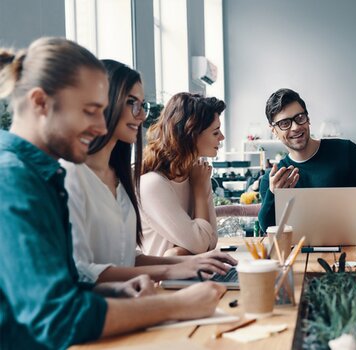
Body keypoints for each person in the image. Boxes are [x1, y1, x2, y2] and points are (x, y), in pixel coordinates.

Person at [0, 37, 225, 350]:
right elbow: (58, 318)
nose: (101, 127)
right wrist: (178, 305)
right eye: (90, 111)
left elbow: (65, 284)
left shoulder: (41, 175)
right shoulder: (12, 180)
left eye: (104, 111)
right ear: (40, 103)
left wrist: (112, 291)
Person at [62, 59, 236, 283]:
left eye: (143, 105)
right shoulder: (71, 176)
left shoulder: (120, 177)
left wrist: (191, 263)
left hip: (135, 298)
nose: (142, 115)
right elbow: (82, 272)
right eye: (132, 103)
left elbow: (127, 258)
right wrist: (174, 267)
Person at [257, 88, 356, 232]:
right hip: (299, 253)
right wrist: (273, 194)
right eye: (284, 123)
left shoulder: (345, 151)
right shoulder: (274, 180)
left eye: (300, 117)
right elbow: (267, 227)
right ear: (274, 130)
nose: (295, 127)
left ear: (308, 119)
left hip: (352, 250)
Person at [141, 92, 226, 256]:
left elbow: (211, 240)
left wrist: (182, 250)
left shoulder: (197, 173)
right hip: (160, 280)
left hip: (192, 275)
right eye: (215, 132)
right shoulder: (153, 184)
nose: (221, 137)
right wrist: (200, 190)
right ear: (191, 135)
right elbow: (201, 244)